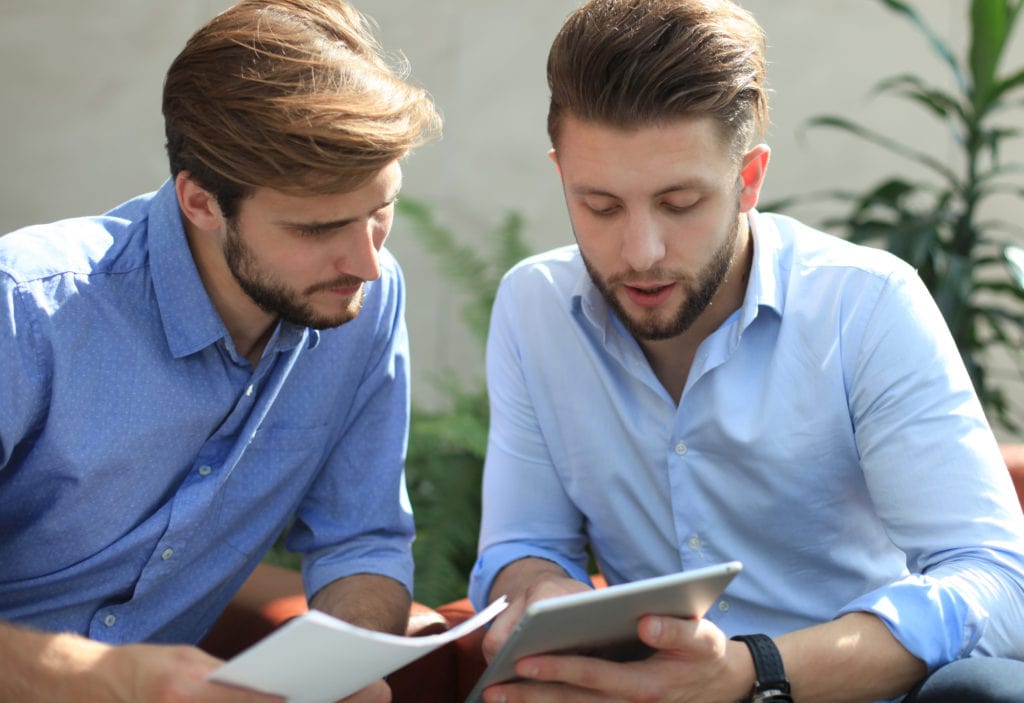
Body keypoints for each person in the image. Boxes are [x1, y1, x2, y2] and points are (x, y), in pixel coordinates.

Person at [468, 1, 1024, 702]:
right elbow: (522, 546)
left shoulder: (866, 303)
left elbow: (1002, 584)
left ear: (749, 179)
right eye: (600, 206)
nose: (640, 253)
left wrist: (750, 672)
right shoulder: (535, 307)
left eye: (679, 202)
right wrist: (540, 590)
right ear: (562, 176)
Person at [0, 1, 440, 701]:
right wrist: (111, 679)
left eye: (379, 209)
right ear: (200, 202)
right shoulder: (25, 307)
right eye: (317, 226)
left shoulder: (365, 300)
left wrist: (345, 666)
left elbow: (360, 542)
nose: (363, 259)